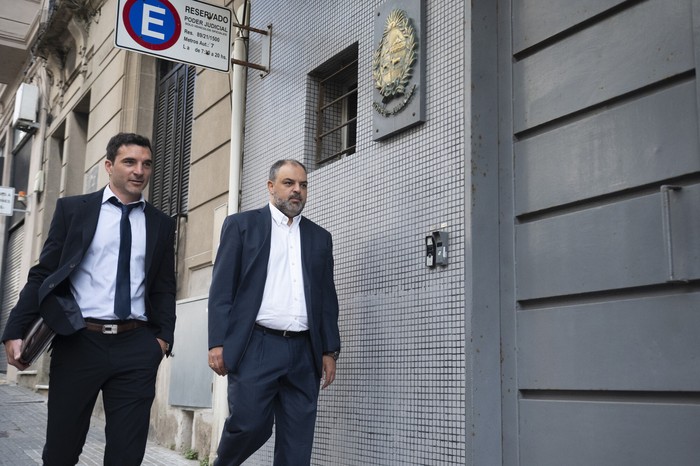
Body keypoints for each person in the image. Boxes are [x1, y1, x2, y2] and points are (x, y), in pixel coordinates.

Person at [2, 132, 176, 466]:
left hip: (136, 346)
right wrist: (14, 329)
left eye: (146, 163)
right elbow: (44, 273)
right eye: (130, 162)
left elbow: (164, 286)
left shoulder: (160, 224)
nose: (139, 170)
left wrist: (162, 339)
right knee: (62, 450)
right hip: (79, 341)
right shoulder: (74, 210)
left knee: (127, 454)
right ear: (109, 166)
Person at [208, 159, 341, 465]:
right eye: (289, 183)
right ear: (271, 187)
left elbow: (326, 299)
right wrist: (217, 341)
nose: (297, 190)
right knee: (250, 424)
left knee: (298, 443)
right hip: (258, 345)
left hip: (304, 352)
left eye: (303, 185)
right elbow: (222, 291)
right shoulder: (242, 226)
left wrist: (330, 350)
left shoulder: (319, 237)